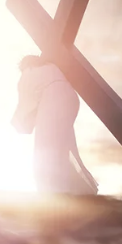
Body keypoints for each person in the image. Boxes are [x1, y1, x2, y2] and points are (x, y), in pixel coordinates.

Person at [11, 54, 99, 195]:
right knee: (64, 147)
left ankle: (52, 192)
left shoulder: (29, 72)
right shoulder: (52, 68)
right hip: (70, 99)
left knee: (45, 150)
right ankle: (78, 189)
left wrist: (18, 123)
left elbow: (25, 104)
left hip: (53, 99)